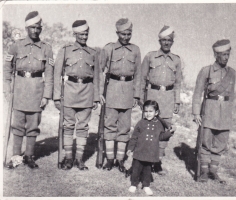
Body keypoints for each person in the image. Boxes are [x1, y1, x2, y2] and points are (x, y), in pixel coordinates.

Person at [4, 11, 54, 169]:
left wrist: (46, 96)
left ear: (41, 29)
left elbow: (50, 75)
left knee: (33, 126)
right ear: (26, 28)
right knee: (17, 126)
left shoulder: (46, 48)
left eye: (38, 28)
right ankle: (16, 157)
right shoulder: (15, 46)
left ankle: (29, 156)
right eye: (32, 27)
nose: (35, 31)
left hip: (37, 92)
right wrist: (7, 91)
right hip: (19, 91)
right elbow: (6, 71)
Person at [53, 20, 99, 170]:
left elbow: (97, 77)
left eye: (86, 34)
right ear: (74, 34)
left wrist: (96, 98)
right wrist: (56, 96)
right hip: (69, 92)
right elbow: (56, 75)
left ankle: (79, 159)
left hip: (87, 91)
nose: (84, 37)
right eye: (81, 34)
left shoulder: (93, 53)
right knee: (68, 126)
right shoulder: (65, 51)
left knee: (83, 127)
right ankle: (68, 158)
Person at [99, 18, 141, 172]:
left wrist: (136, 95)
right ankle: (109, 160)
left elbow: (138, 74)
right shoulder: (109, 49)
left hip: (128, 91)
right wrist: (99, 93)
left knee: (124, 127)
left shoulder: (135, 50)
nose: (126, 37)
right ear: (117, 33)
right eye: (123, 34)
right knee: (109, 126)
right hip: (112, 90)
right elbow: (99, 70)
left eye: (128, 34)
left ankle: (120, 160)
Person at [192, 39, 236, 183]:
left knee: (221, 141)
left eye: (228, 54)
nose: (226, 57)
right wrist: (196, 113)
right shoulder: (207, 70)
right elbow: (197, 92)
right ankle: (204, 172)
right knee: (206, 140)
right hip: (210, 109)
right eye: (223, 54)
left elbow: (232, 95)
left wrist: (230, 114)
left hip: (225, 112)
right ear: (215, 55)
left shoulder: (232, 73)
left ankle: (213, 172)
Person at [140, 25, 182, 174]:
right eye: (164, 40)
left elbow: (177, 83)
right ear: (159, 40)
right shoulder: (150, 56)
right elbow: (142, 78)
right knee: (148, 128)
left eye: (169, 40)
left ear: (172, 42)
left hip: (168, 99)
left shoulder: (176, 60)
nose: (166, 43)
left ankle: (157, 161)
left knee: (165, 129)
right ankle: (145, 160)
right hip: (152, 96)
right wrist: (141, 98)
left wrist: (177, 101)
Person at [127, 100, 173, 195]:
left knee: (147, 170)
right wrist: (130, 148)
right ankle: (133, 184)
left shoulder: (159, 124)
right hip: (139, 151)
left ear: (156, 112)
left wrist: (169, 133)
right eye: (146, 111)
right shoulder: (140, 123)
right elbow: (134, 137)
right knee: (136, 169)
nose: (148, 114)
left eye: (150, 111)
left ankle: (146, 185)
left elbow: (161, 137)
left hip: (150, 152)